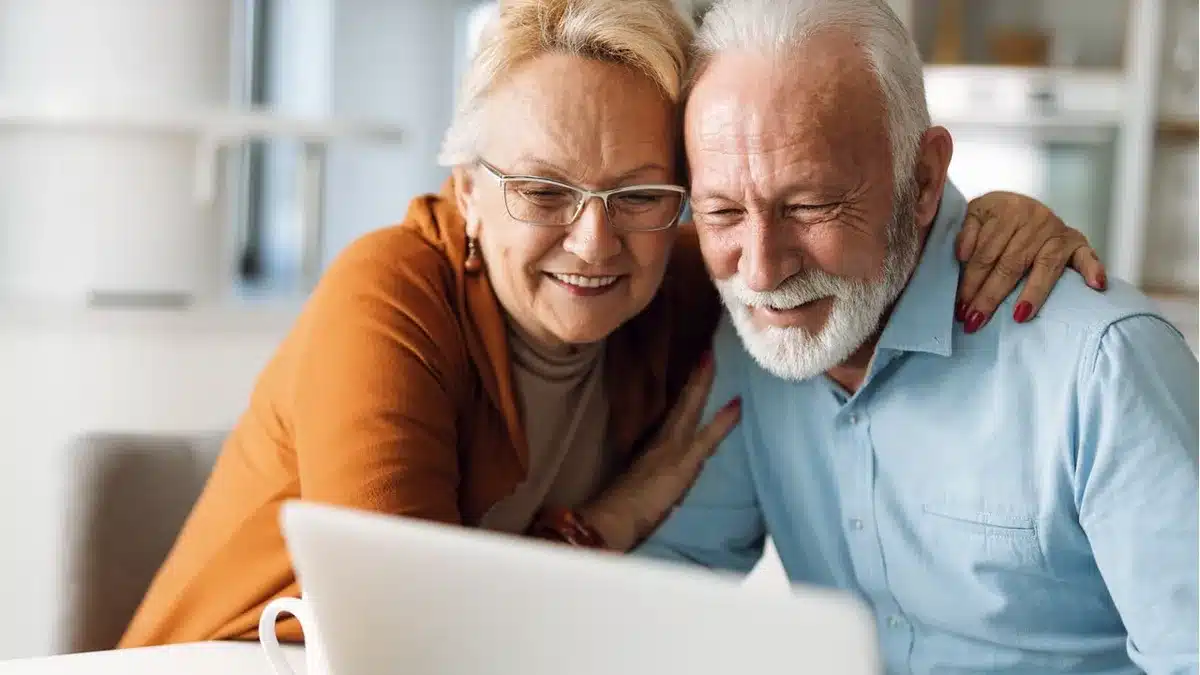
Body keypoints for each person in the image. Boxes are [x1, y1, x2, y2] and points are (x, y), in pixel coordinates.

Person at [119, 0, 1107, 648]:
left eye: (641, 191)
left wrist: (994, 217)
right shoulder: (389, 299)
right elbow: (408, 650)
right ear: (465, 190)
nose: (594, 242)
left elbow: (830, 224)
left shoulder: (689, 281)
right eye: (545, 189)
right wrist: (617, 519)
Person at [637, 1, 1199, 673]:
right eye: (723, 210)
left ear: (924, 177)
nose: (761, 269)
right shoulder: (759, 343)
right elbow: (673, 589)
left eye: (811, 205)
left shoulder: (1102, 366)